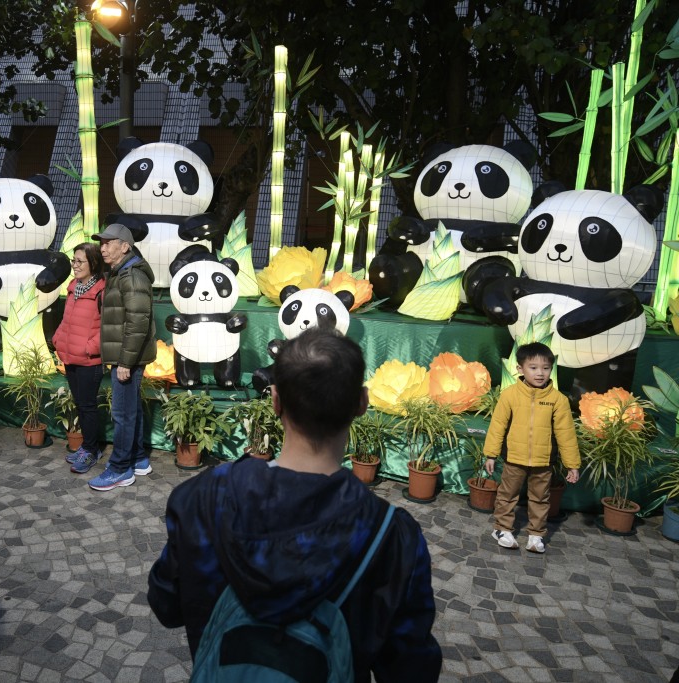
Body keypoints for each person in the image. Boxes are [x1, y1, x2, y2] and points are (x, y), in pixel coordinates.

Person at [147, 328, 442, 682]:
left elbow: (167, 604)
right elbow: (410, 667)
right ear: (362, 403)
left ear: (274, 400)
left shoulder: (203, 497)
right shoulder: (391, 535)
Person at [484, 341, 580, 553]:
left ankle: (536, 535)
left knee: (540, 498)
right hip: (514, 459)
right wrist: (490, 454)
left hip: (543, 461)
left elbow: (566, 434)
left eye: (546, 368)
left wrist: (572, 464)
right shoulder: (509, 395)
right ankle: (502, 529)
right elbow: (497, 425)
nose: (540, 373)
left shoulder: (558, 400)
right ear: (520, 369)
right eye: (533, 367)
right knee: (507, 494)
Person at [87, 223, 157, 491]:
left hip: (127, 359)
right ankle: (138, 459)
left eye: (108, 243)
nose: (102, 248)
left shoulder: (131, 276)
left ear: (124, 246)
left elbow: (138, 323)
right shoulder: (120, 272)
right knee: (131, 410)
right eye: (101, 243)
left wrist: (125, 363)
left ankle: (120, 469)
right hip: (125, 356)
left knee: (122, 414)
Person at [51, 242, 107, 474]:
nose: (74, 265)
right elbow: (68, 321)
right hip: (70, 356)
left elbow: (108, 327)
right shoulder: (74, 286)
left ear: (93, 263)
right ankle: (87, 446)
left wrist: (88, 348)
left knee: (87, 406)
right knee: (81, 405)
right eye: (74, 260)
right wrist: (57, 339)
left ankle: (91, 451)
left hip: (88, 360)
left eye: (79, 261)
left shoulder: (102, 290)